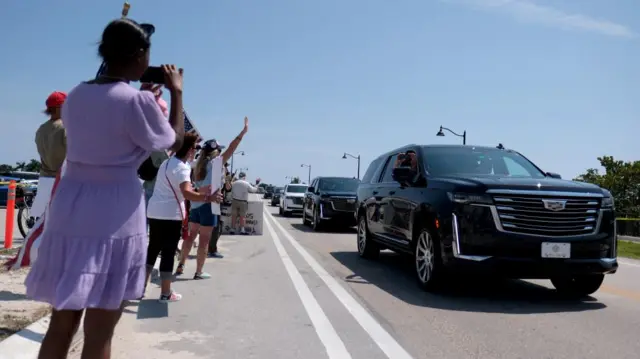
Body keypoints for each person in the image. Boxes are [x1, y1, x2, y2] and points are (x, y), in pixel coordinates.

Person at [25, 19, 185, 359]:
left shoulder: (77, 95)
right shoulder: (136, 102)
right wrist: (176, 92)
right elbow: (173, 140)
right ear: (140, 55)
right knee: (99, 332)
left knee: (61, 324)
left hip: (72, 205)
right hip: (114, 210)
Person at [145, 133, 221, 299]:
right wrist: (208, 197)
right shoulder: (182, 168)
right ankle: (166, 292)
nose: (196, 151)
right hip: (170, 215)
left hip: (154, 211)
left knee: (152, 249)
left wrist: (200, 191)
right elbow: (186, 193)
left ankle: (140, 289)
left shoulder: (167, 162)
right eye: (195, 148)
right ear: (188, 150)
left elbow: (180, 188)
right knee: (168, 252)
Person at [176, 118, 249, 273]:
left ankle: (181, 265)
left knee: (190, 236)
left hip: (195, 204)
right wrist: (242, 134)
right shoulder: (215, 163)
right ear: (215, 151)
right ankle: (199, 272)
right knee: (204, 240)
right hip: (210, 204)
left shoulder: (197, 165)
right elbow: (231, 148)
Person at [31, 91, 68, 219]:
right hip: (64, 180)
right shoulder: (65, 127)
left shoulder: (41, 129)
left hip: (45, 178)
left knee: (44, 220)